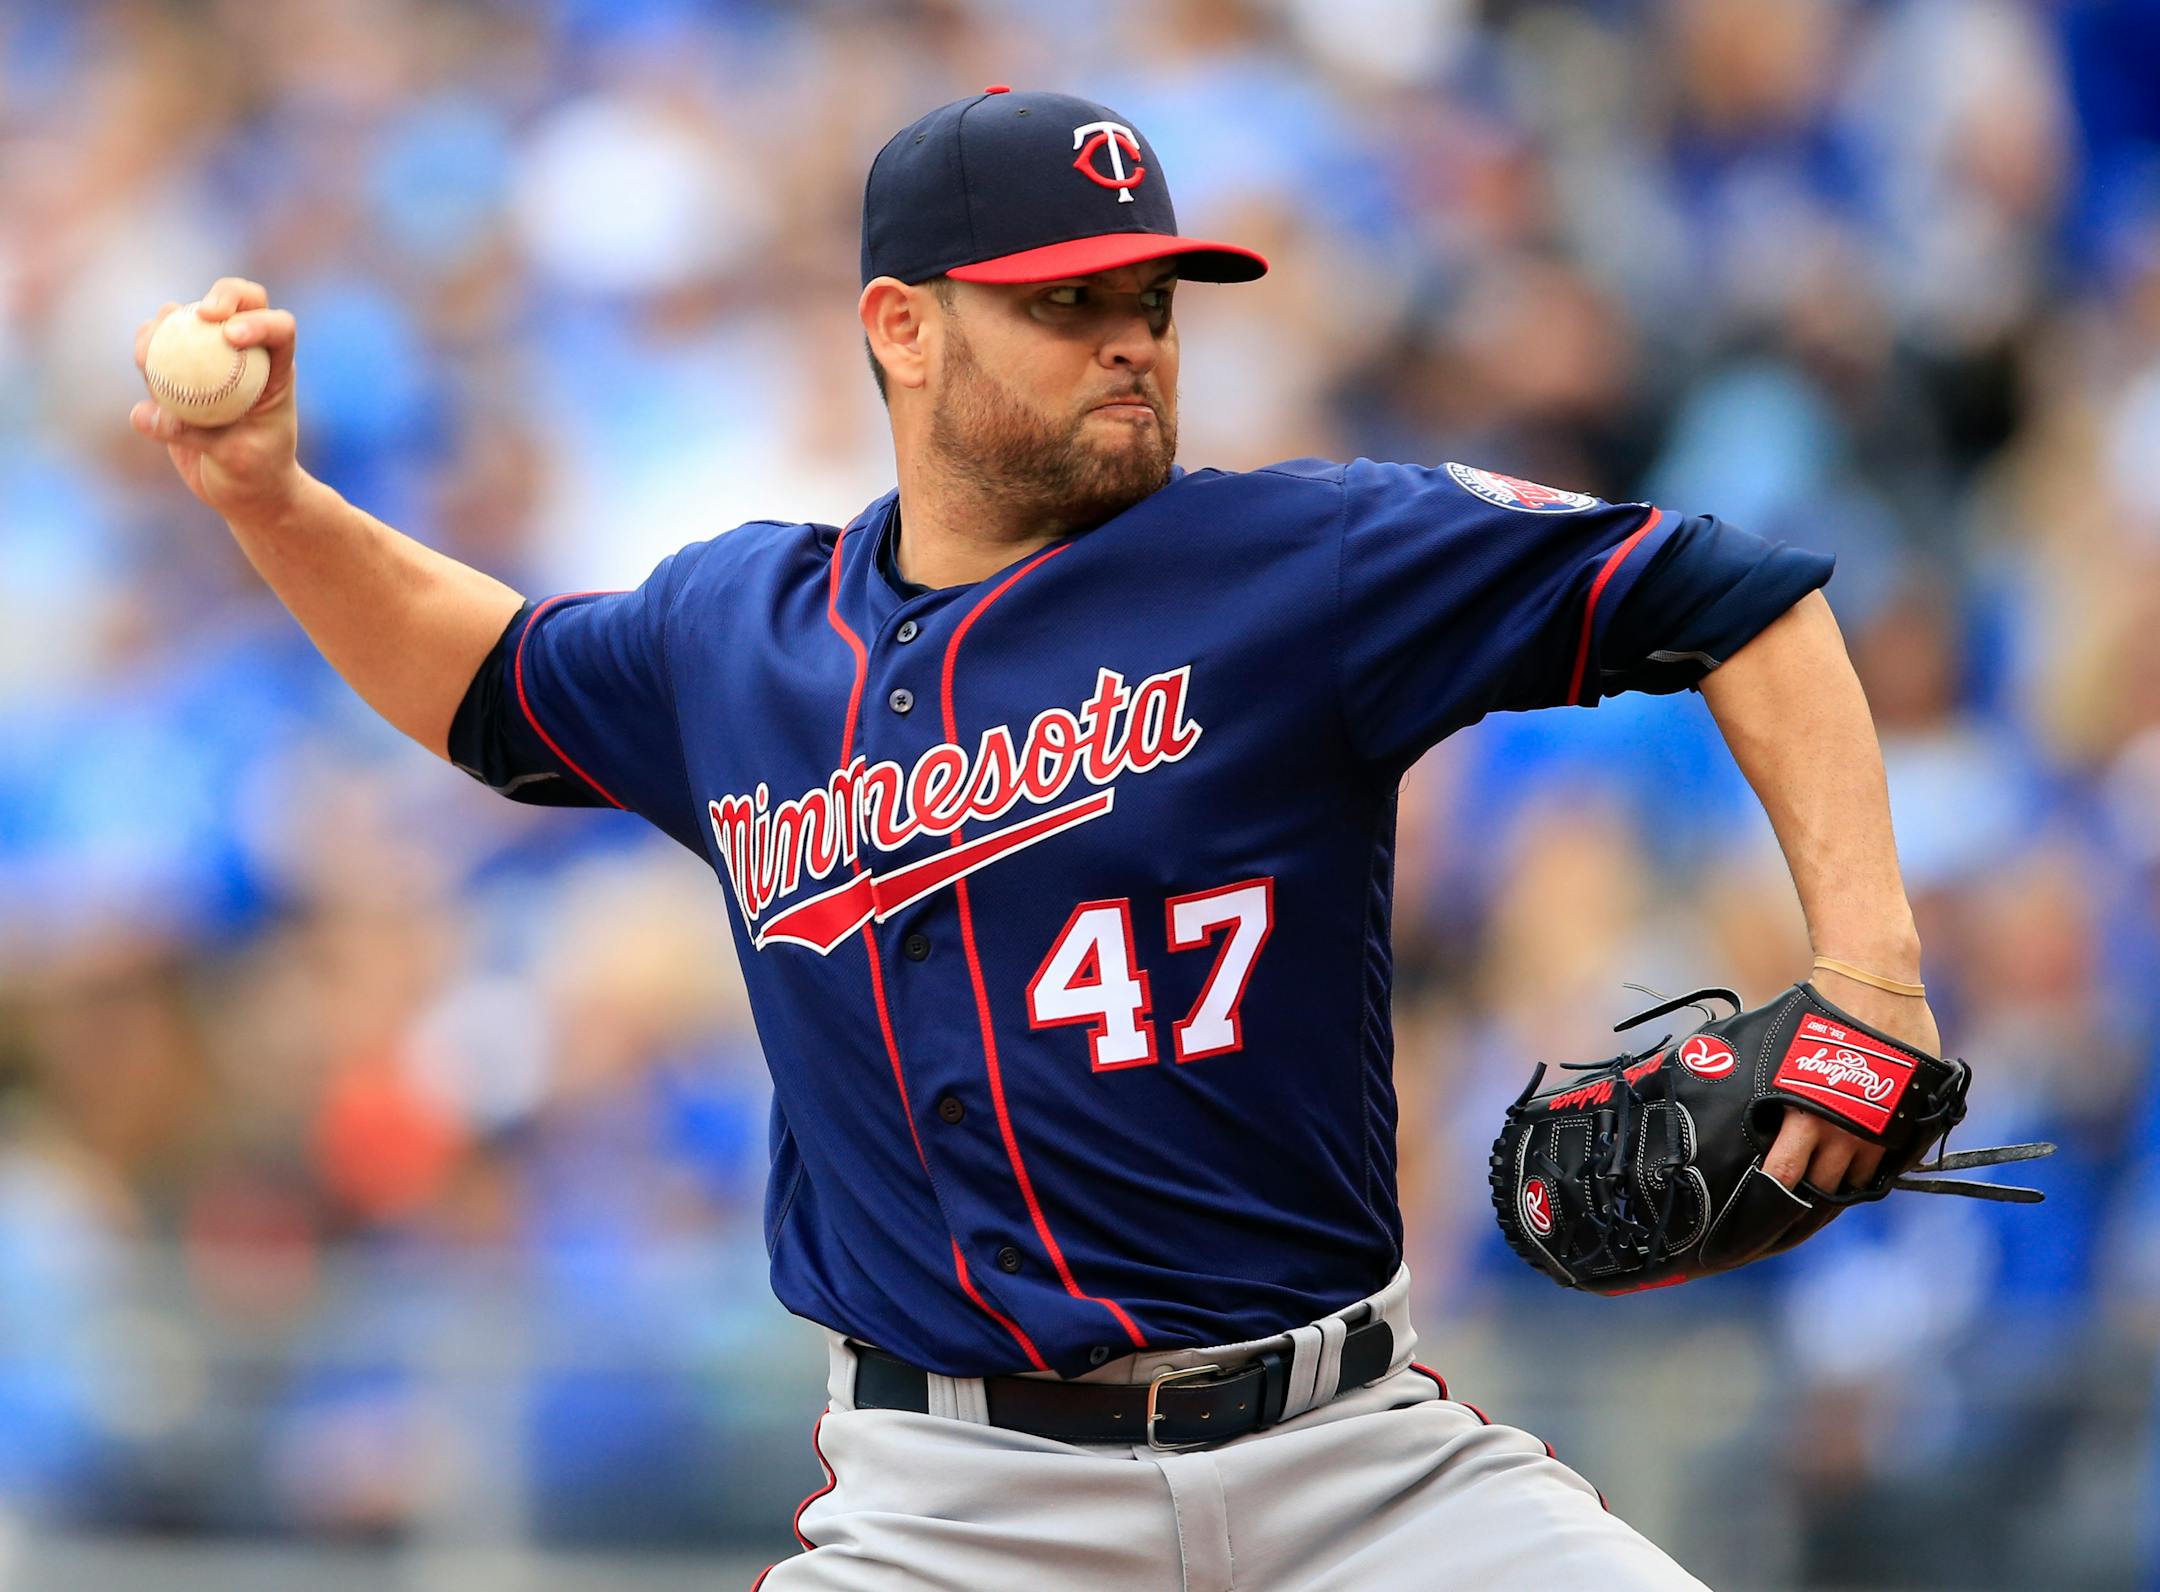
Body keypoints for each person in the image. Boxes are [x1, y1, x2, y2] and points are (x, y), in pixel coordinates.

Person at [131, 86, 1943, 1590]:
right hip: (955, 1515)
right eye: (1063, 304)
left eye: (1149, 298)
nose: (1131, 341)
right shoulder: (736, 642)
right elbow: (494, 685)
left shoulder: (1297, 562)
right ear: (900, 328)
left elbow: (1734, 595)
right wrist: (274, 502)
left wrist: (1874, 972)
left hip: (1356, 1469)